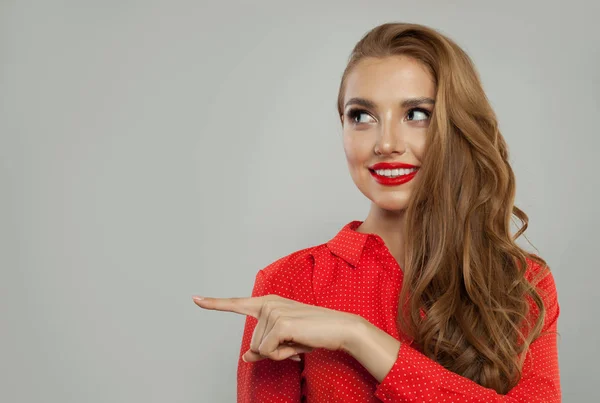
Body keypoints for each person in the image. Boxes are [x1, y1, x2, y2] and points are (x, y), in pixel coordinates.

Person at [192, 22, 560, 402]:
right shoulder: (290, 284)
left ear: (458, 128)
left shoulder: (520, 283)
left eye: (417, 114)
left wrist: (359, 336)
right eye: (362, 117)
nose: (385, 143)